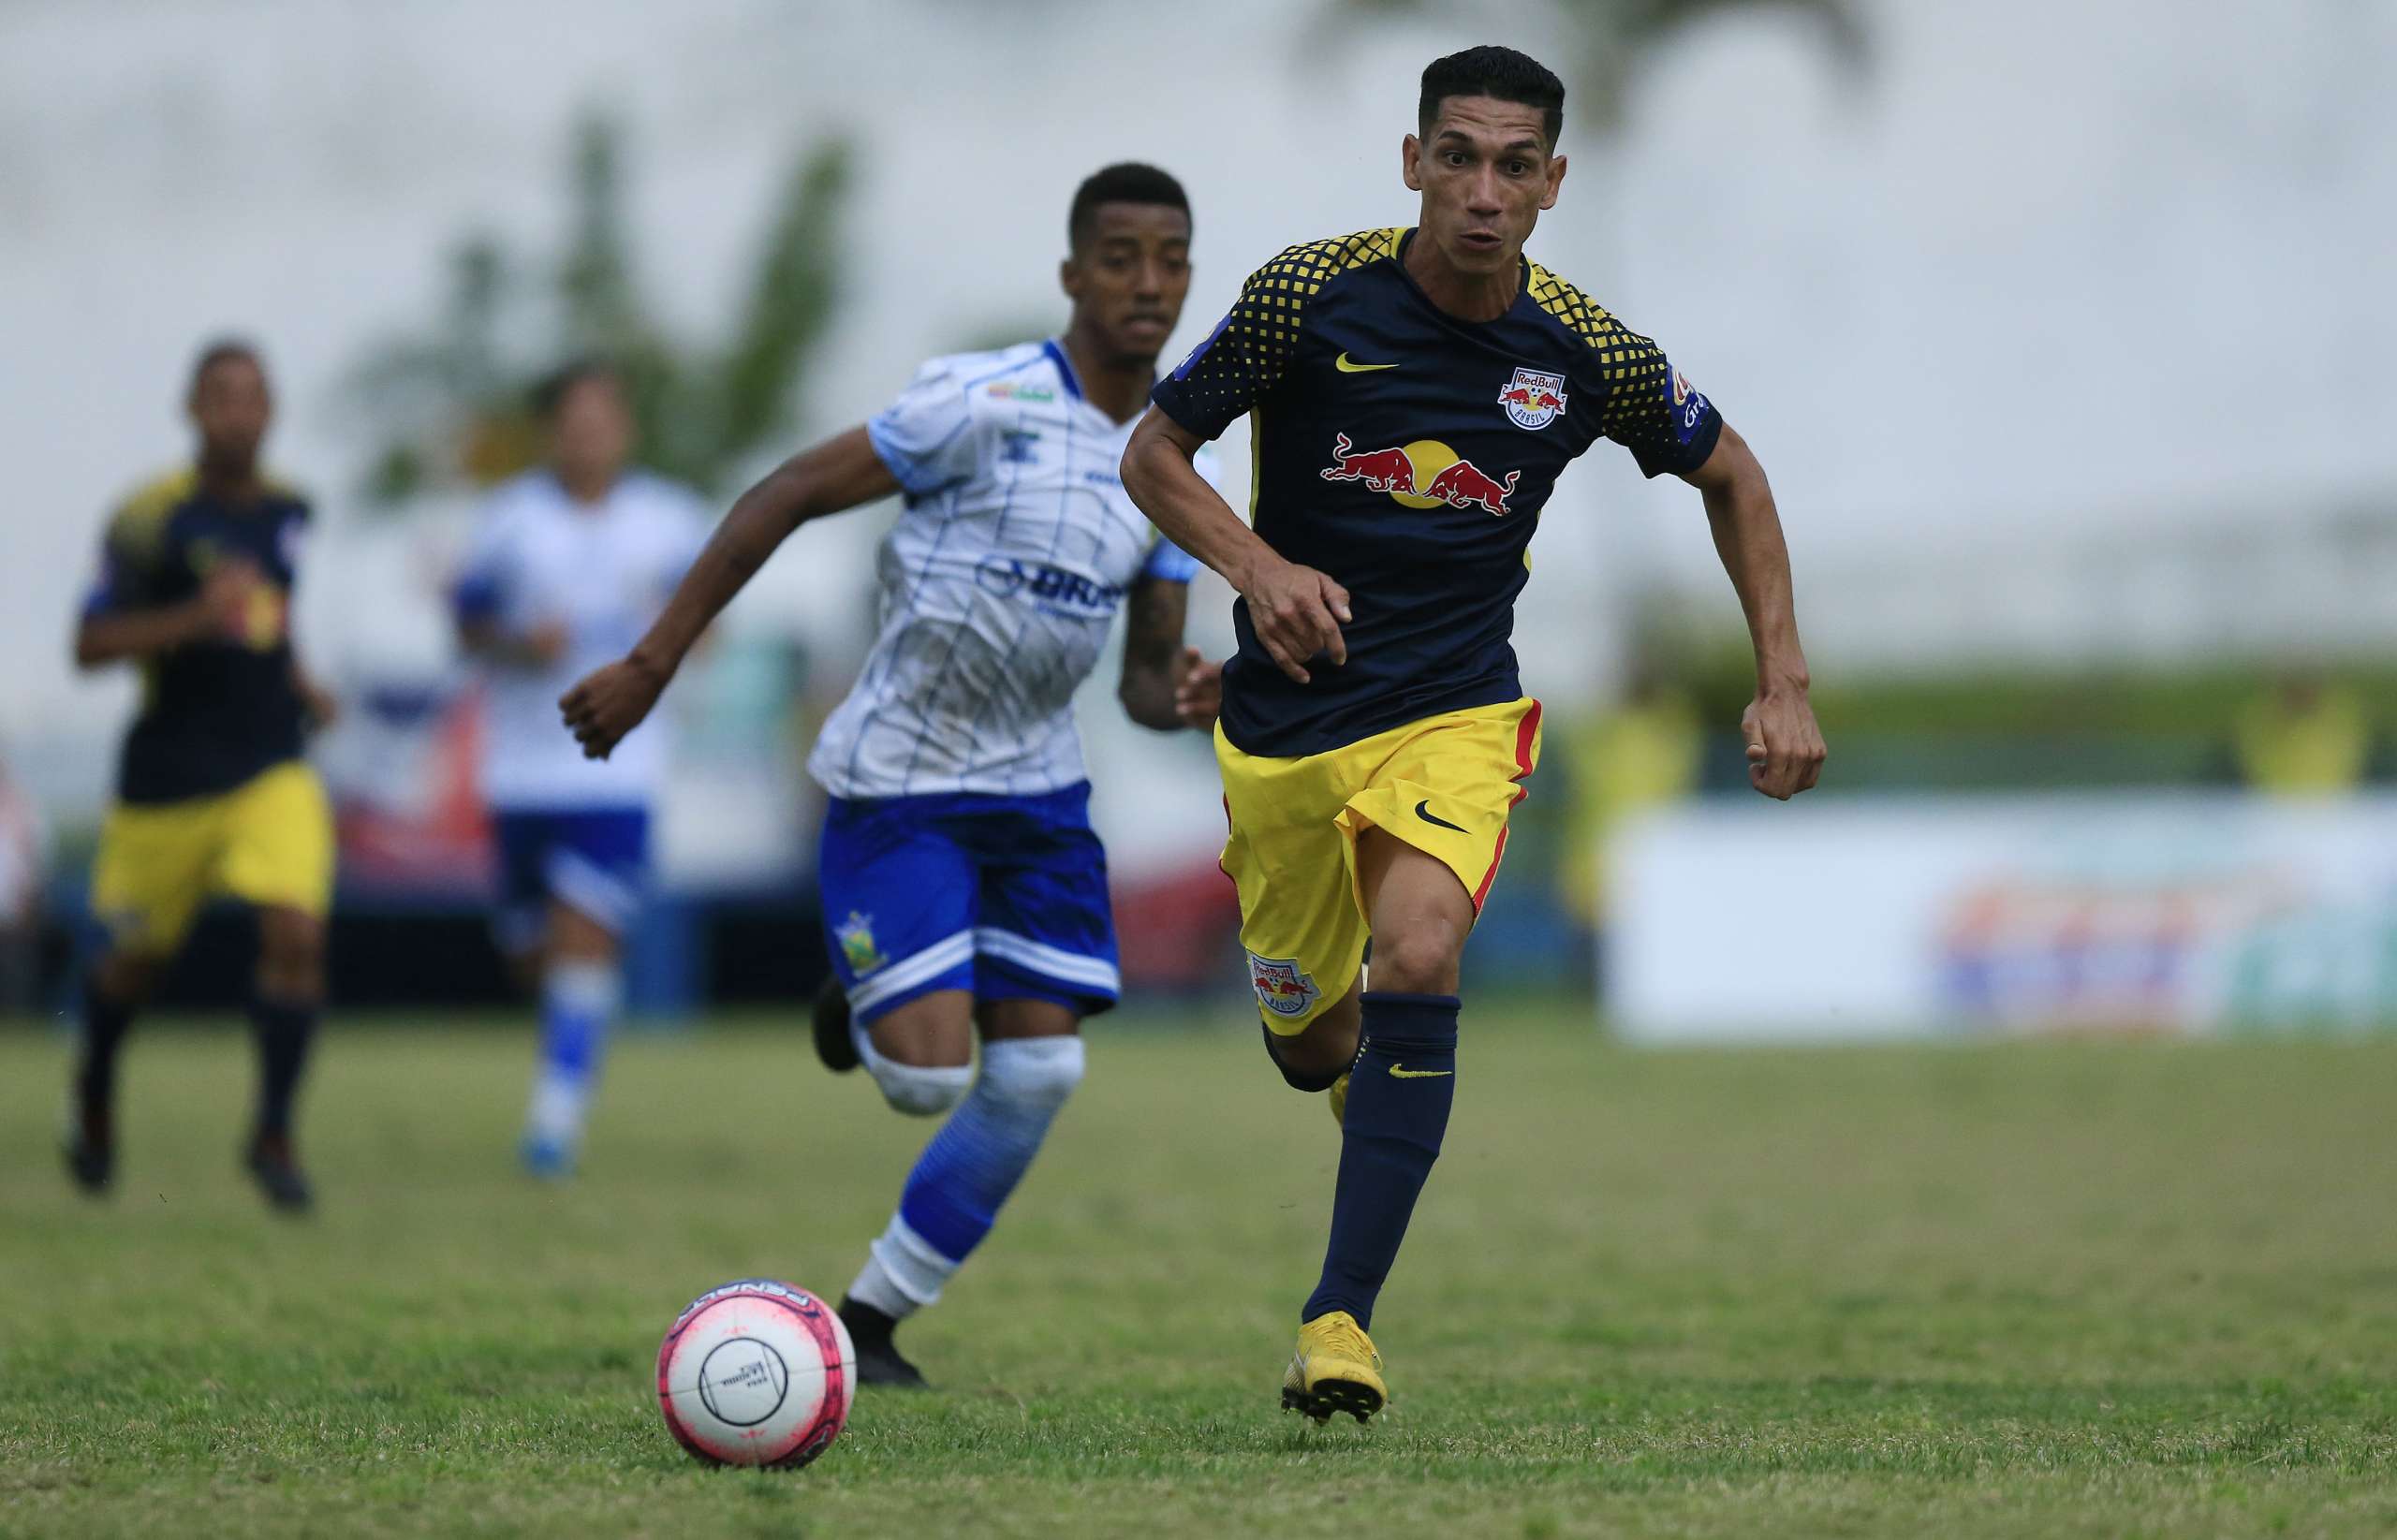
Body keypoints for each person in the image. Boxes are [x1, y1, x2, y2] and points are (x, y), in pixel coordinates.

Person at [1122, 45, 1828, 1423]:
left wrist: (1783, 676)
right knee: (1313, 1047)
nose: (1484, 192)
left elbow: (1731, 470)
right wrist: (1257, 571)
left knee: (1425, 951)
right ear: (1413, 163)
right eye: (1459, 157)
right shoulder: (1305, 297)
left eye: (1516, 165)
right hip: (1283, 734)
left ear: (1555, 180)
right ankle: (1364, 1087)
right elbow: (1155, 450)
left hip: (1453, 710)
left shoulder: (1581, 351)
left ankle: (1342, 1321)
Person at [563, 163, 1222, 1386]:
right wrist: (655, 661)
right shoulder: (981, 399)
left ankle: (868, 1324)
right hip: (906, 781)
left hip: (1039, 795)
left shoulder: (1167, 471)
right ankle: (878, 990)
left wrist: (1198, 697)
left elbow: (1142, 684)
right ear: (1074, 274)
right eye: (1121, 256)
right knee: (925, 1082)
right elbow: (793, 489)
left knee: (1041, 1069)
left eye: (1171, 258)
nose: (1148, 281)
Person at [65, 339, 340, 1211]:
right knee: (129, 969)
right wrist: (192, 613)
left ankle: (273, 1131)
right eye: (221, 395)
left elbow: (267, 619)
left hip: (270, 764)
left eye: (253, 396)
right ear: (192, 408)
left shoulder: (293, 509)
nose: (238, 411)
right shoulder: (149, 518)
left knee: (296, 930)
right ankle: (96, 1091)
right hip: (167, 779)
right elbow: (88, 645)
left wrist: (302, 683)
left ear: (273, 410)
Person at [452, 361, 711, 1177]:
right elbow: (465, 627)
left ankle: (553, 1122)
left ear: (624, 428)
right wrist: (521, 645)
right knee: (534, 954)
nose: (590, 433)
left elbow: (711, 624)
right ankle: (573, 1037)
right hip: (523, 769)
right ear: (550, 430)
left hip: (618, 769)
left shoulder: (669, 520)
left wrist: (665, 654)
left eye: (605, 417)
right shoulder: (508, 521)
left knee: (583, 933)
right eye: (574, 418)